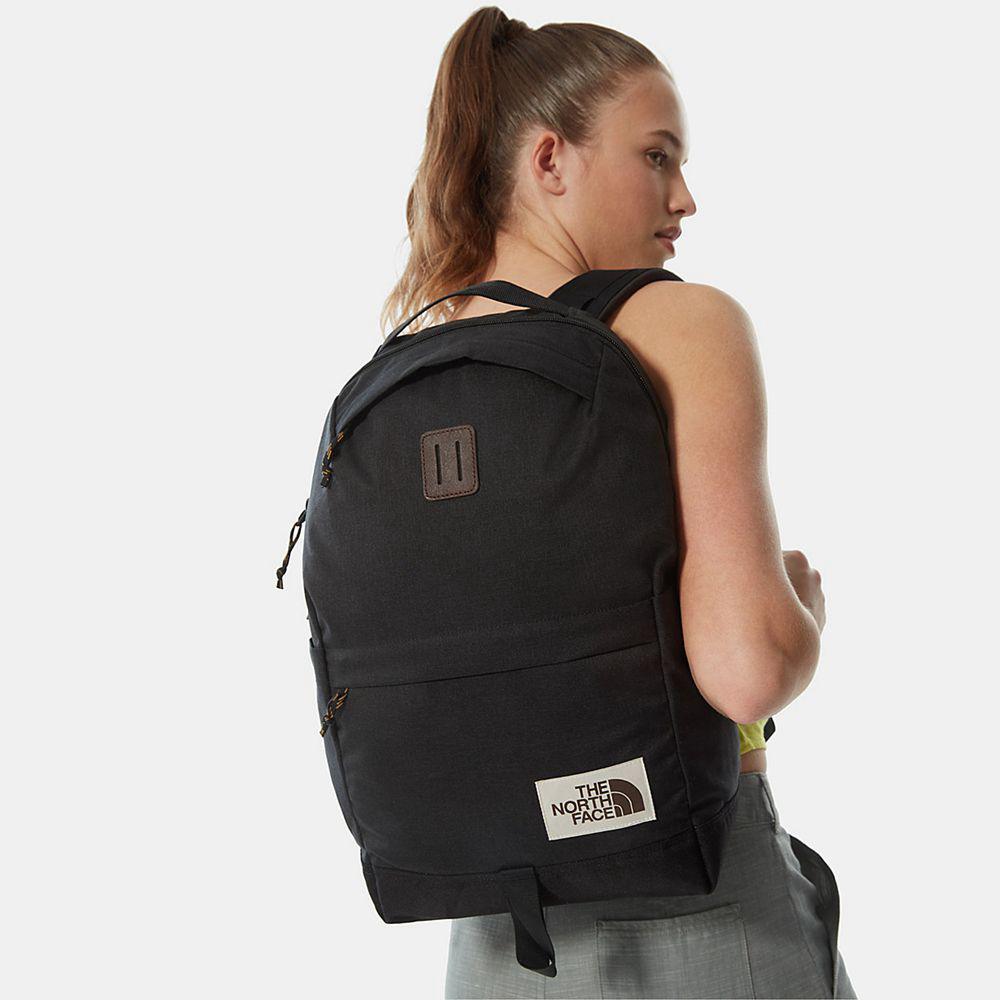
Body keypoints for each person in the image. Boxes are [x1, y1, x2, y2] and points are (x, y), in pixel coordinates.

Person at [381, 8, 858, 998]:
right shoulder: (677, 321)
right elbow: (748, 671)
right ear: (550, 159)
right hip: (697, 905)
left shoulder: (411, 357)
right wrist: (802, 618)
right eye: (657, 155)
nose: (685, 197)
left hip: (491, 932)